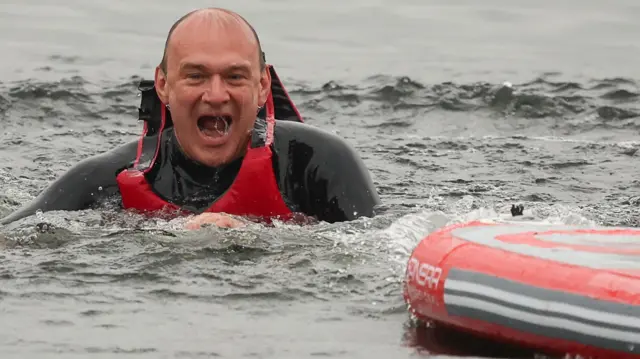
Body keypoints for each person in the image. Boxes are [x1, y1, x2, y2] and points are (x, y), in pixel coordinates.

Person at [0, 7, 381, 229]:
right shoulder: (105, 181)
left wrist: (259, 238)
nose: (215, 95)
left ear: (263, 85)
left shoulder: (319, 164)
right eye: (196, 76)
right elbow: (14, 241)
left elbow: (388, 246)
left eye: (234, 76)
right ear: (163, 85)